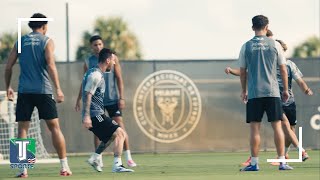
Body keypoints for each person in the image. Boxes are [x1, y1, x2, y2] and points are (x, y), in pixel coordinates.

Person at [225, 35, 312, 166]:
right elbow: (245, 72)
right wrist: (231, 71)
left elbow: (299, 80)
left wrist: (305, 90)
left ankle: (283, 156)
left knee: (290, 131)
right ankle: (301, 151)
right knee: (284, 126)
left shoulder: (288, 65)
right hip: (275, 98)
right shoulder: (268, 64)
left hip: (288, 101)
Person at [4, 13, 72, 177]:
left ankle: (23, 169)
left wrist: (8, 87)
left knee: (23, 129)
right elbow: (50, 65)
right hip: (43, 91)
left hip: (25, 91)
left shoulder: (20, 42)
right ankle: (64, 167)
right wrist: (58, 89)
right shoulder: (47, 41)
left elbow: (8, 67)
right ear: (44, 26)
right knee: (54, 127)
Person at [238, 15, 292, 171]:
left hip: (255, 94)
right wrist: (286, 90)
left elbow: (242, 71)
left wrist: (244, 90)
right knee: (277, 127)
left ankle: (254, 164)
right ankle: (282, 162)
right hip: (273, 92)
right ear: (267, 27)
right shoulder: (275, 45)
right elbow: (283, 68)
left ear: (252, 28)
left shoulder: (245, 46)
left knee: (255, 129)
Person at [75, 35, 137, 168]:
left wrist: (121, 97)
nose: (114, 64)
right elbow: (88, 93)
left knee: (111, 136)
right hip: (95, 113)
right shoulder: (96, 74)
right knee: (120, 132)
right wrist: (86, 115)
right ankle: (117, 165)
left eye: (100, 44)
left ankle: (95, 157)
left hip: (98, 110)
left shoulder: (95, 72)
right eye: (113, 61)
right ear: (108, 60)